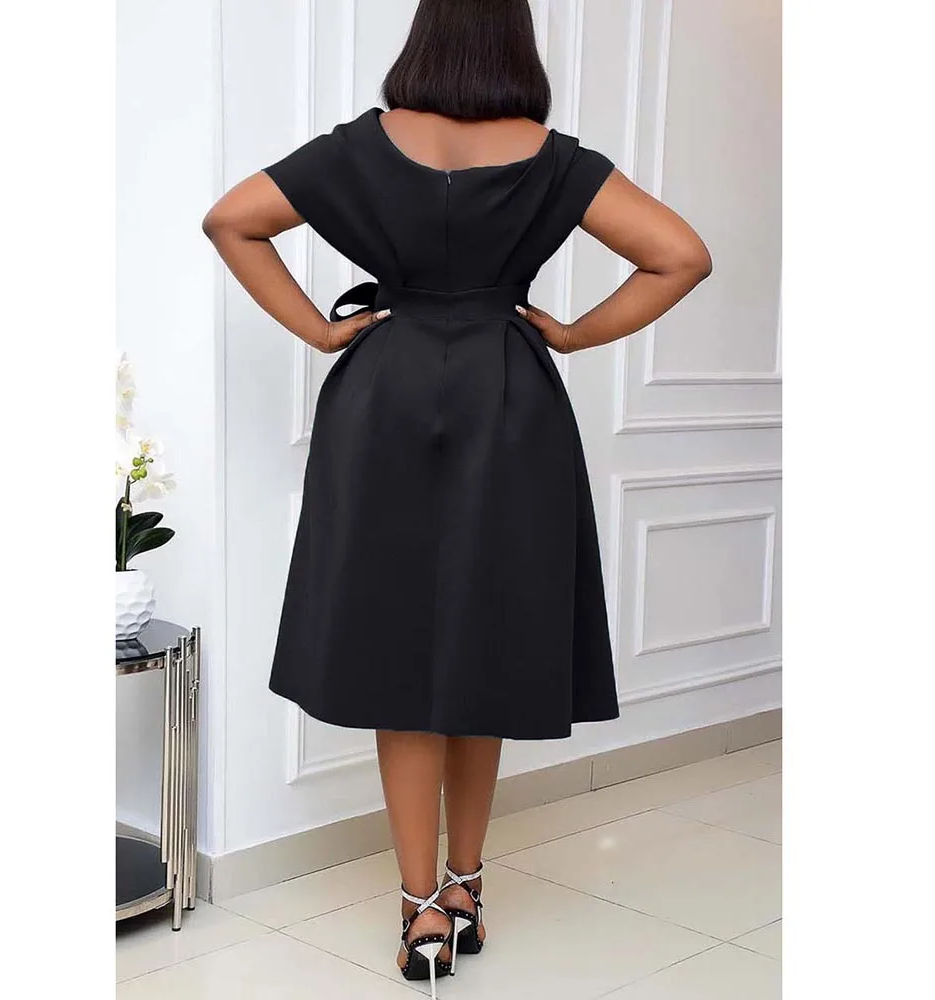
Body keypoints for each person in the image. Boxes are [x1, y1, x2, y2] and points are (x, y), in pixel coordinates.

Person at [202, 0, 711, 994]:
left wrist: (320, 330)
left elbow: (232, 219)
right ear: (515, 37)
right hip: (507, 395)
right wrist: (572, 334)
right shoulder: (554, 160)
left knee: (399, 651)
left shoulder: (360, 147)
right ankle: (469, 887)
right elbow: (680, 254)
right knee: (489, 639)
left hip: (382, 397)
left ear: (427, 31)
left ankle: (419, 909)